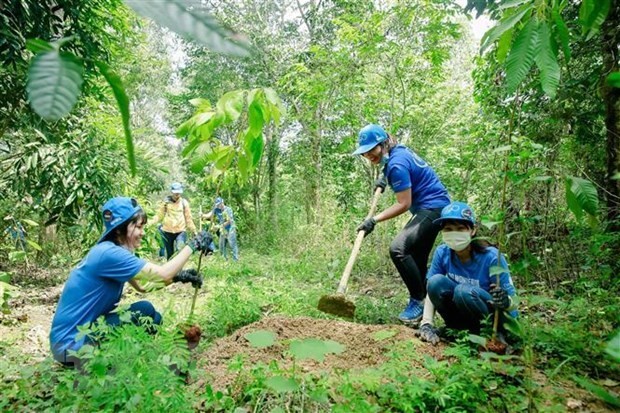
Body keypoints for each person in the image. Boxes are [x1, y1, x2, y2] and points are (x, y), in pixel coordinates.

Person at [49, 197, 214, 367]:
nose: (142, 232)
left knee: (154, 318)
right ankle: (131, 365)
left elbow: (143, 287)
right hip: (70, 346)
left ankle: (139, 361)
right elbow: (163, 274)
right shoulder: (109, 254)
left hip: (73, 341)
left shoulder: (111, 252)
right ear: (121, 228)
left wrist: (178, 277)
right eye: (138, 227)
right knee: (145, 310)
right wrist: (193, 245)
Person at [353, 124, 451, 323]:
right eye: (365, 152)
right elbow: (396, 166)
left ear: (383, 144)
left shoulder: (396, 165)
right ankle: (427, 311)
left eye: (372, 149)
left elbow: (404, 204)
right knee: (416, 256)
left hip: (433, 208)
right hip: (436, 206)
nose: (369, 155)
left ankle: (418, 301)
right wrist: (383, 177)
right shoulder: (398, 152)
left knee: (399, 249)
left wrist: (373, 220)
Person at [416, 201, 518, 345]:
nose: (454, 233)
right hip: (463, 313)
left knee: (463, 290)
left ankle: (491, 336)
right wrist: (426, 323)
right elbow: (431, 289)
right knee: (435, 282)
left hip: (493, 319)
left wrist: (506, 302)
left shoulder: (492, 257)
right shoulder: (442, 252)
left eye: (460, 228)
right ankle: (459, 330)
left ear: (473, 230)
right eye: (448, 229)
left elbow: (513, 302)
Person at [152, 183, 197, 260]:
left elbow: (188, 218)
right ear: (172, 192)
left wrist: (194, 230)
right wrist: (150, 222)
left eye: (178, 193)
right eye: (175, 193)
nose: (177, 195)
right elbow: (159, 215)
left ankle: (179, 269)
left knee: (180, 249)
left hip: (181, 231)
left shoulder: (184, 203)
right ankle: (171, 271)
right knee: (170, 254)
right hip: (167, 231)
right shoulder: (166, 203)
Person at [205, 197, 239, 262]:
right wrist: (202, 215)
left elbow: (229, 221)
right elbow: (209, 215)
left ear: (222, 202)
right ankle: (224, 259)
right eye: (217, 205)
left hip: (230, 228)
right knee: (221, 245)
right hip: (223, 229)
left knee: (232, 244)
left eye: (219, 204)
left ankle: (236, 260)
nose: (218, 206)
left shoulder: (228, 210)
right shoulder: (216, 209)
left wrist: (219, 226)